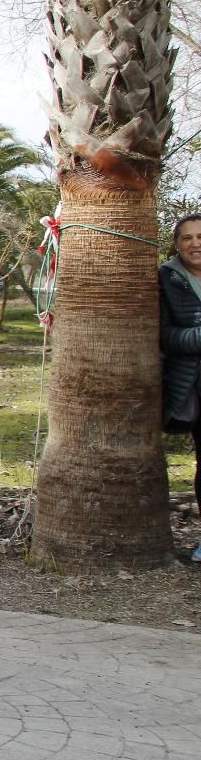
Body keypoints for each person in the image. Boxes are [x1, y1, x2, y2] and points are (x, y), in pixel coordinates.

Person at [159, 213, 201, 563]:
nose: (195, 243)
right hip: (194, 383)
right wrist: (198, 338)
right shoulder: (168, 278)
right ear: (177, 244)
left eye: (200, 236)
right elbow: (163, 334)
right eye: (187, 238)